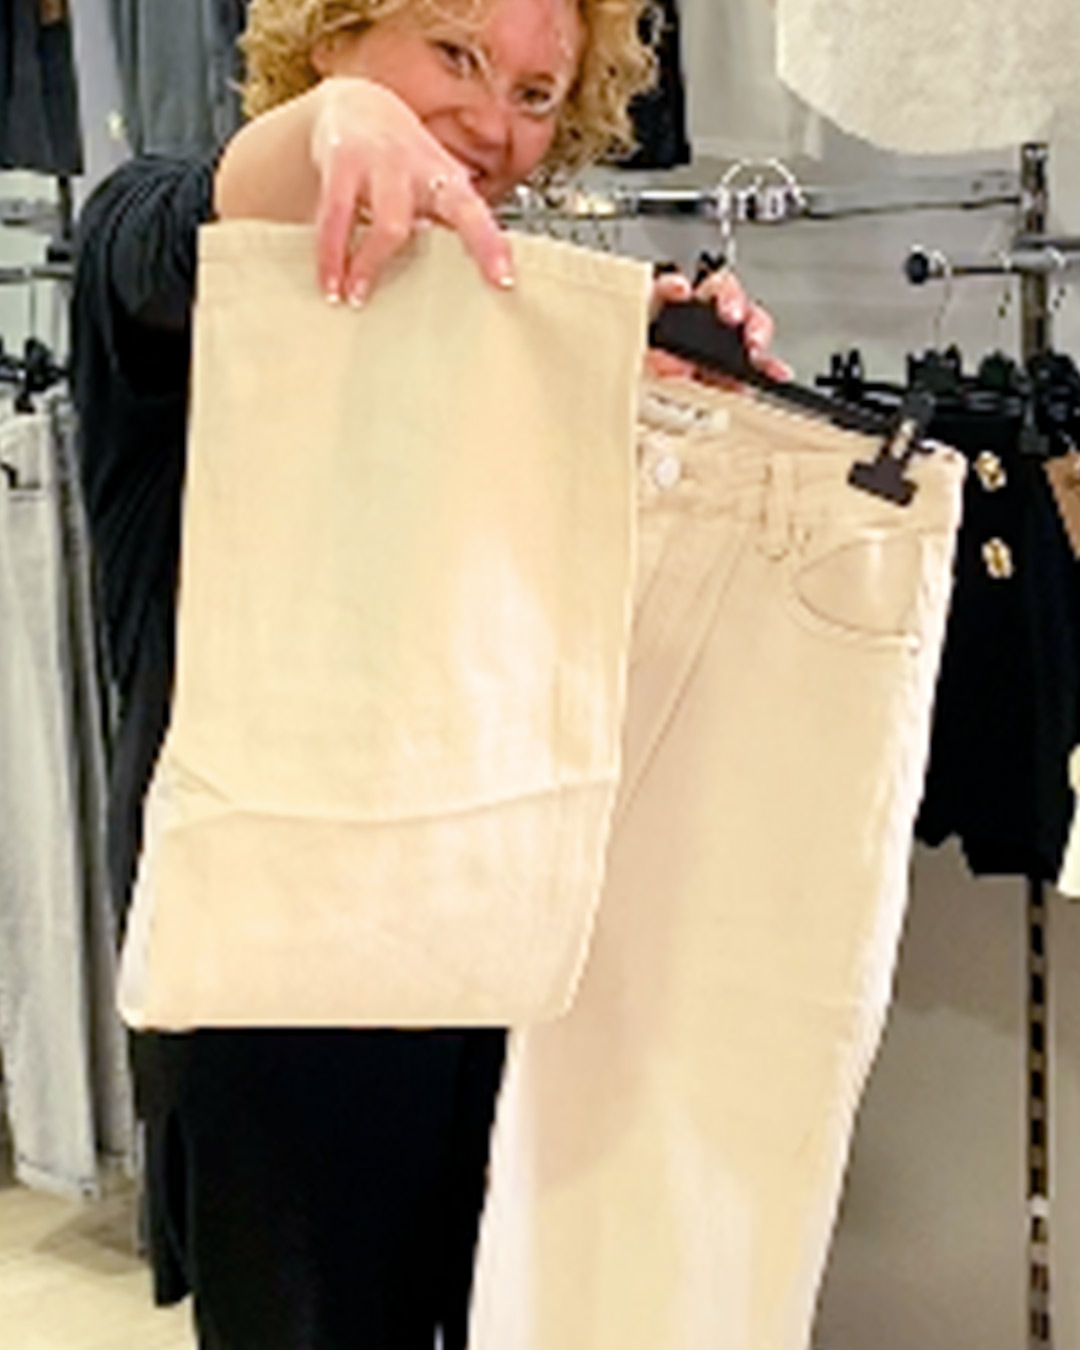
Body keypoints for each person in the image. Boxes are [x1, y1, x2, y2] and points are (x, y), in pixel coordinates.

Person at [71, 1, 785, 1347]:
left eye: (534, 93)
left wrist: (656, 391)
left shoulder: (510, 326)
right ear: (328, 39)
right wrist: (334, 132)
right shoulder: (175, 250)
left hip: (493, 954)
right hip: (277, 1011)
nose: (492, 121)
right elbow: (154, 235)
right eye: (453, 55)